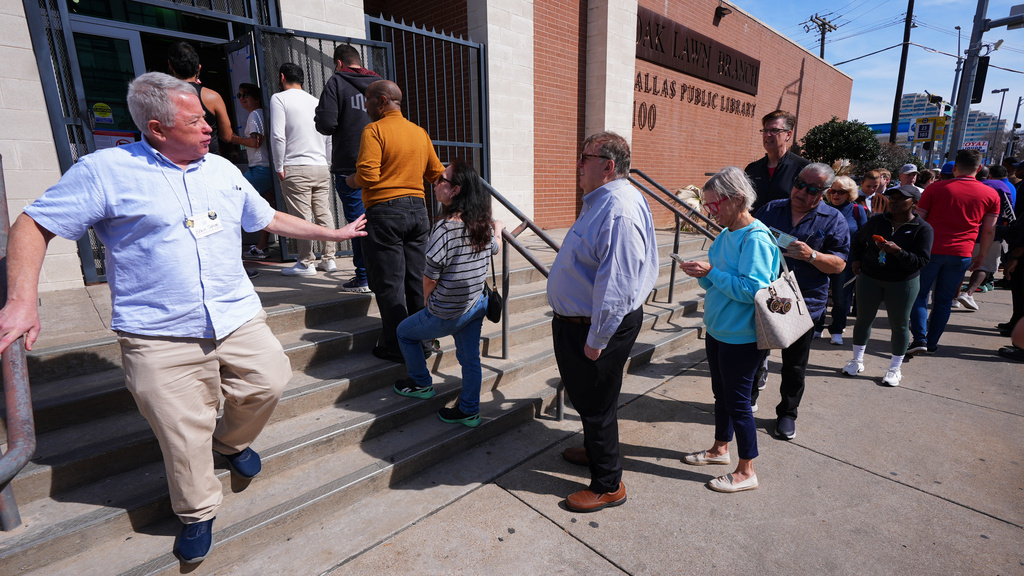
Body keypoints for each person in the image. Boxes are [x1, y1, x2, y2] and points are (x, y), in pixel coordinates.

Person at [0, 72, 367, 564]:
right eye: (196, 120)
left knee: (271, 380)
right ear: (156, 127)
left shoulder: (220, 169)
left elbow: (265, 218)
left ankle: (231, 440)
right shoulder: (106, 170)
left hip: (236, 315)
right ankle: (197, 512)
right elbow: (33, 223)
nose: (210, 126)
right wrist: (22, 299)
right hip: (158, 332)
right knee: (181, 430)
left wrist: (333, 235)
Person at [547, 131, 658, 512]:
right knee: (590, 400)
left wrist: (597, 338)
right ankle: (597, 453)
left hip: (594, 326)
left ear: (608, 166)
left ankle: (609, 484)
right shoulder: (602, 201)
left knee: (596, 404)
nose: (578, 164)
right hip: (580, 322)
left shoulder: (619, 209)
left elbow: (618, 283)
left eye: (585, 157)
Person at [678, 167, 780, 493]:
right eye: (706, 205)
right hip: (720, 330)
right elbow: (720, 279)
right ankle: (720, 449)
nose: (710, 211)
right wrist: (703, 274)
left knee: (738, 403)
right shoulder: (725, 233)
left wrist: (711, 272)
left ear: (737, 199)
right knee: (721, 396)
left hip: (743, 336)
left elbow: (753, 290)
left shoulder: (756, 238)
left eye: (714, 204)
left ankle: (747, 469)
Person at [393, 161, 504, 426]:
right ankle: (469, 410)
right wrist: (498, 228)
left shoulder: (444, 229)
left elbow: (430, 275)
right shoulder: (481, 225)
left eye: (441, 179)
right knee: (470, 360)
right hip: (475, 305)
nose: (435, 182)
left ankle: (421, 382)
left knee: (404, 333)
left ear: (455, 190)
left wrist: (427, 301)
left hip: (447, 311)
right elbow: (495, 248)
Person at [346, 80, 445, 362]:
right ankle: (423, 340)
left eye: (367, 100)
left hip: (384, 211)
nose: (364, 106)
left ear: (381, 101)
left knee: (389, 283)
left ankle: (397, 346)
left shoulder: (374, 130)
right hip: (417, 211)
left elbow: (367, 175)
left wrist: (350, 180)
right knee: (416, 280)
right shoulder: (419, 132)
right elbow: (435, 172)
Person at [751, 163, 849, 440]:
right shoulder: (771, 210)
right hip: (767, 297)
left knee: (794, 365)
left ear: (825, 193)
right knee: (755, 355)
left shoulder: (833, 219)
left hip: (804, 301)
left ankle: (787, 414)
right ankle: (748, 402)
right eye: (799, 183)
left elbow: (839, 265)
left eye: (812, 189)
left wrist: (812, 256)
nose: (802, 191)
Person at [909, 149, 999, 355]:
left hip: (930, 250)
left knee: (919, 295)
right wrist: (982, 255)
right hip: (962, 253)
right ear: (979, 168)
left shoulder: (936, 189)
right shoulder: (990, 194)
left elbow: (918, 220)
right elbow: (988, 230)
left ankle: (920, 338)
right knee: (944, 300)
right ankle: (931, 342)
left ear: (955, 166)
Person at [842, 185, 933, 387]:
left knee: (899, 325)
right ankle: (857, 360)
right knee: (863, 320)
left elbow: (921, 261)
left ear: (914, 204)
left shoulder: (923, 228)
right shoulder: (877, 221)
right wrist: (856, 260)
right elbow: (858, 241)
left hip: (902, 282)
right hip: (870, 277)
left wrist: (898, 251)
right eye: (892, 197)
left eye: (902, 198)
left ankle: (895, 368)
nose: (894, 201)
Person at [315, 44, 380, 293]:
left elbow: (327, 123)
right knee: (379, 220)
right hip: (380, 163)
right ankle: (381, 273)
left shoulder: (336, 82)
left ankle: (364, 277)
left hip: (349, 164)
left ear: (339, 63)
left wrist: (319, 115)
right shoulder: (379, 83)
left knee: (357, 223)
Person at [270, 63, 338, 277]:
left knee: (301, 217)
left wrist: (279, 165)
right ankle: (329, 259)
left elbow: (278, 136)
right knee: (323, 212)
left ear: (282, 77)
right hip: (320, 166)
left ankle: (306, 262)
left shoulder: (279, 98)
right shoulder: (316, 102)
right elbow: (328, 138)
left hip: (296, 166)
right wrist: (326, 163)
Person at [822, 175, 867, 345]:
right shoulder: (823, 208)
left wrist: (859, 260)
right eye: (833, 191)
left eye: (841, 192)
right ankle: (817, 327)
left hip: (846, 263)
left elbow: (863, 237)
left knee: (841, 298)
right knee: (821, 295)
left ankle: (837, 329)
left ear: (849, 194)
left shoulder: (857, 210)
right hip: (823, 260)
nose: (836, 195)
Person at [167, 41, 233, 157]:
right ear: (199, 68)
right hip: (209, 160)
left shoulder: (164, 97)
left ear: (171, 65)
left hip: (178, 160)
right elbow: (227, 136)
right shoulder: (212, 97)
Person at [235, 83, 274, 259]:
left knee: (234, 202)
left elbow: (256, 142)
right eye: (239, 95)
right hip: (265, 169)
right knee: (267, 208)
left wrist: (233, 138)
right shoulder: (259, 114)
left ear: (256, 98)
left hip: (259, 169)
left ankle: (230, 250)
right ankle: (262, 246)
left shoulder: (255, 114)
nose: (242, 98)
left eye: (246, 95)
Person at [745, 110, 810, 214]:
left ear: (788, 134)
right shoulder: (752, 169)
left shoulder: (804, 169)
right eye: (765, 130)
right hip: (754, 229)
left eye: (774, 130)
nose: (768, 134)